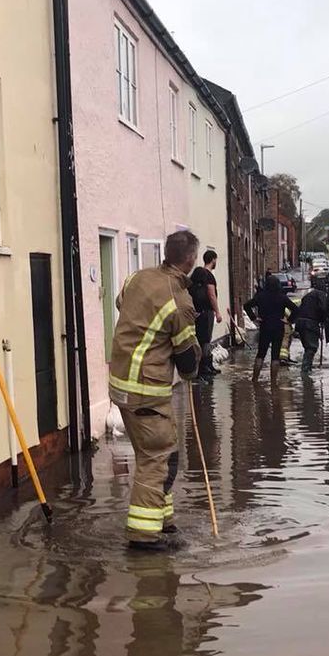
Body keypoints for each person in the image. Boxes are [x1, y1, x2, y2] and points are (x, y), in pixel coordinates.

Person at [109, 229, 203, 551]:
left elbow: (123, 303)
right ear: (190, 260)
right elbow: (188, 358)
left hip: (121, 383)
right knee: (157, 458)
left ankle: (163, 521)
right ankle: (143, 538)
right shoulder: (179, 300)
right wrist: (192, 370)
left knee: (162, 452)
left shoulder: (137, 278)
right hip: (145, 389)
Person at [244, 273, 298, 385]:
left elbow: (246, 305)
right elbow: (295, 309)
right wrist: (289, 320)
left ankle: (255, 379)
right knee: (275, 355)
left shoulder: (261, 296)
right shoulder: (282, 297)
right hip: (278, 327)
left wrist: (254, 318)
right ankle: (273, 381)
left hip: (265, 327)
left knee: (261, 354)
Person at [188, 249, 223, 381]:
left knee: (200, 338)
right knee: (206, 339)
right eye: (215, 260)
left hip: (197, 312)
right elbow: (211, 294)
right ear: (213, 259)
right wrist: (217, 312)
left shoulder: (197, 274)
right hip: (207, 311)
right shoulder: (208, 276)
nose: (216, 262)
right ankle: (205, 367)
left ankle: (204, 367)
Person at [295, 277, 328, 373]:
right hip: (310, 323)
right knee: (311, 348)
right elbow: (323, 308)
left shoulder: (308, 296)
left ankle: (307, 367)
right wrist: (323, 320)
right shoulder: (321, 295)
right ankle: (305, 370)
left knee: (307, 347)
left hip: (300, 323)